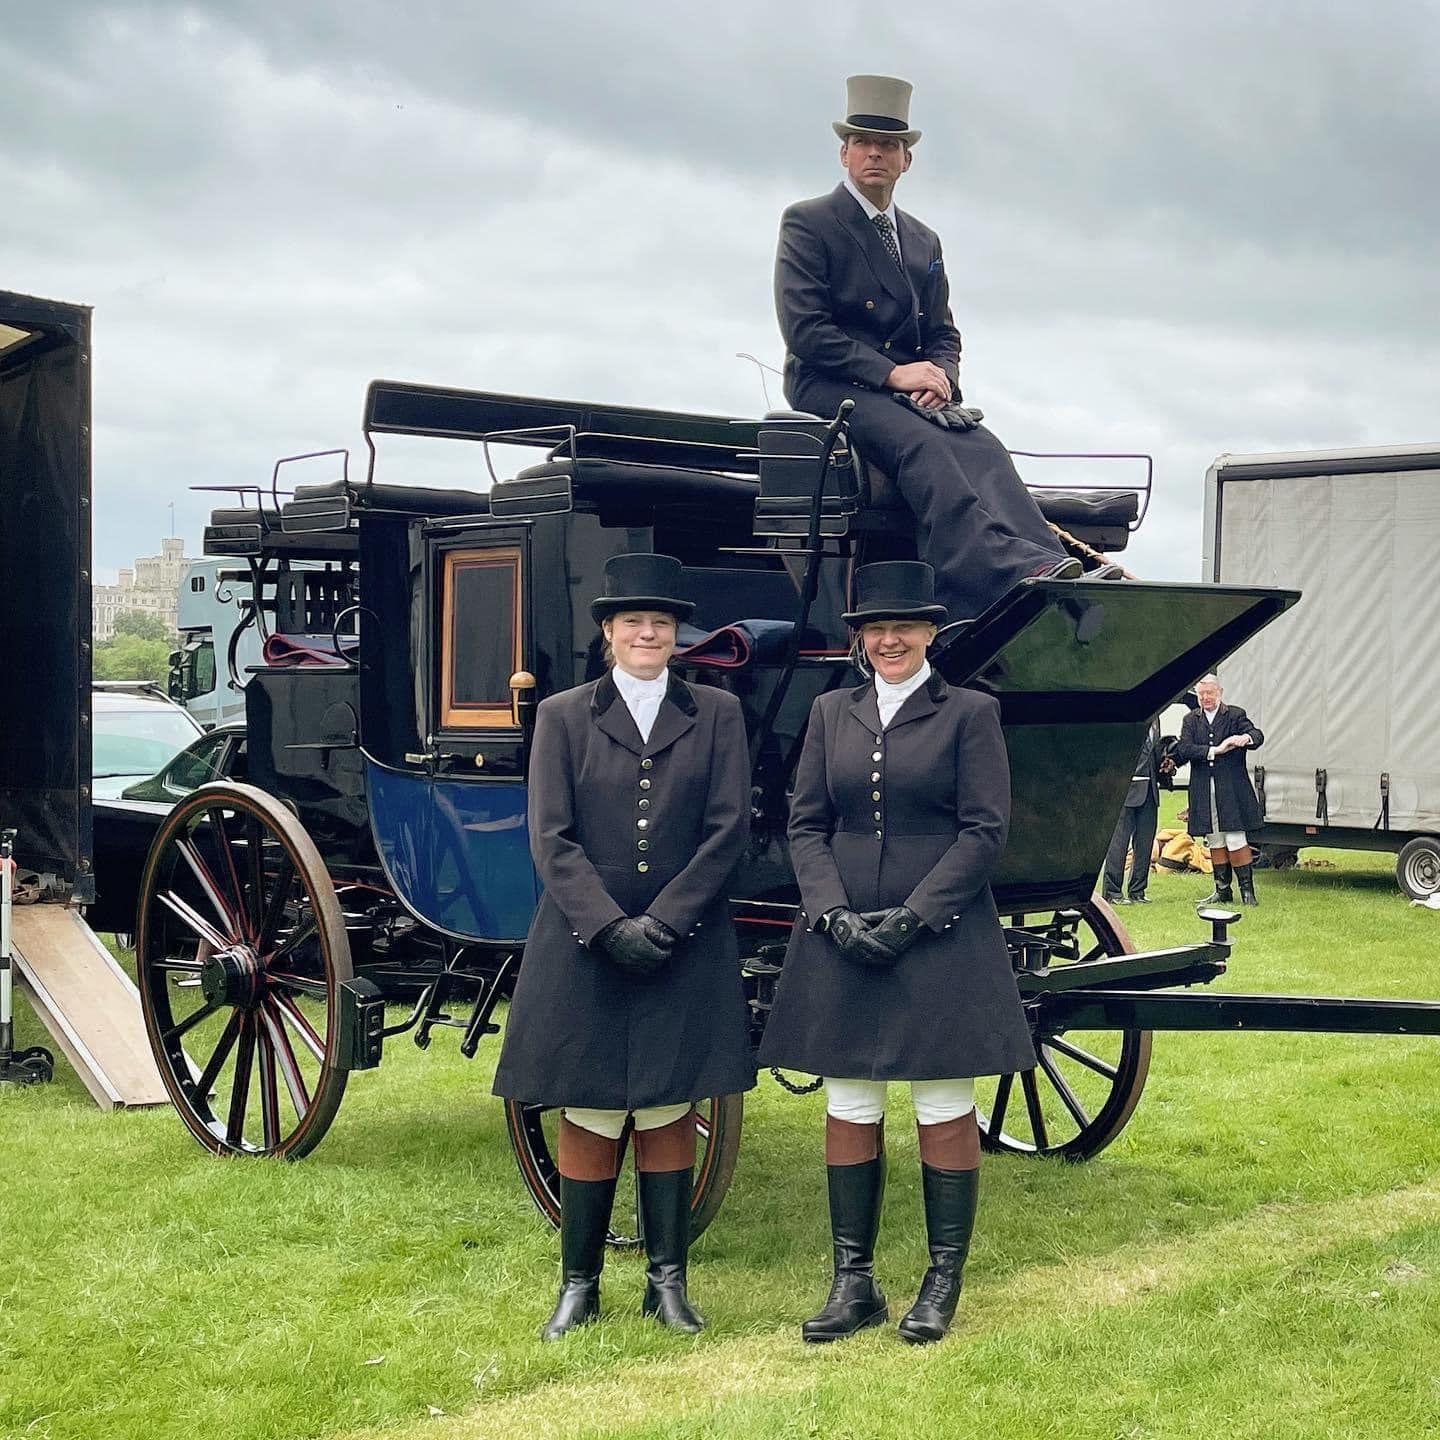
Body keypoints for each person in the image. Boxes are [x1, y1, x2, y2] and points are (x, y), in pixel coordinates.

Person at [758, 561, 1035, 1345]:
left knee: (942, 1101)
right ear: (857, 640)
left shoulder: (971, 713)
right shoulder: (829, 713)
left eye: (904, 628)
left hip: (939, 931)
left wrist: (915, 919)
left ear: (931, 634)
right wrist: (832, 913)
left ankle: (941, 1283)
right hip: (841, 931)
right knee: (850, 1100)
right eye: (875, 629)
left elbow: (985, 830)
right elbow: (805, 823)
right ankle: (854, 1284)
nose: (889, 640)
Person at [492, 552, 755, 1340]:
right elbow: (551, 837)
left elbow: (727, 829)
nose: (648, 633)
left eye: (662, 623)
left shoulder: (717, 713)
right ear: (608, 632)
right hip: (584, 938)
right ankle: (580, 1285)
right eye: (634, 622)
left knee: (672, 1101)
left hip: (688, 935)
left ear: (678, 636)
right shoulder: (564, 715)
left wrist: (667, 922)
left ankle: (666, 1284)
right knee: (590, 1105)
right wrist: (608, 926)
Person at [774, 75, 1122, 623]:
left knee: (984, 447)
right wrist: (896, 375)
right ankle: (984, 581)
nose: (875, 153)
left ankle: (1049, 564)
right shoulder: (809, 222)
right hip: (833, 383)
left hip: (911, 389)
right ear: (844, 152)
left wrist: (940, 376)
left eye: (888, 145)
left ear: (906, 159)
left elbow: (943, 332)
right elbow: (806, 331)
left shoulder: (921, 239)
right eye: (863, 142)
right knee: (926, 449)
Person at [1174, 674, 1265, 906]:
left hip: (1231, 789)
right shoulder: (1191, 720)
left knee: (1235, 836)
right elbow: (1184, 749)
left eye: (1210, 693)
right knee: (1214, 839)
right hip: (1204, 789)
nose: (1205, 698)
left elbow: (1257, 735)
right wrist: (1215, 750)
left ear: (1220, 692)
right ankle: (1222, 889)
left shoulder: (1234, 715)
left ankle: (1247, 891)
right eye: (1202, 694)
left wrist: (1245, 738)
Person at [1101, 718, 1162, 904]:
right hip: (1125, 790)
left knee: (1145, 842)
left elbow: (1153, 753)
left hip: (1150, 790)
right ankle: (1112, 892)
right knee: (1119, 843)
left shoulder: (1156, 719)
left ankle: (1138, 890)